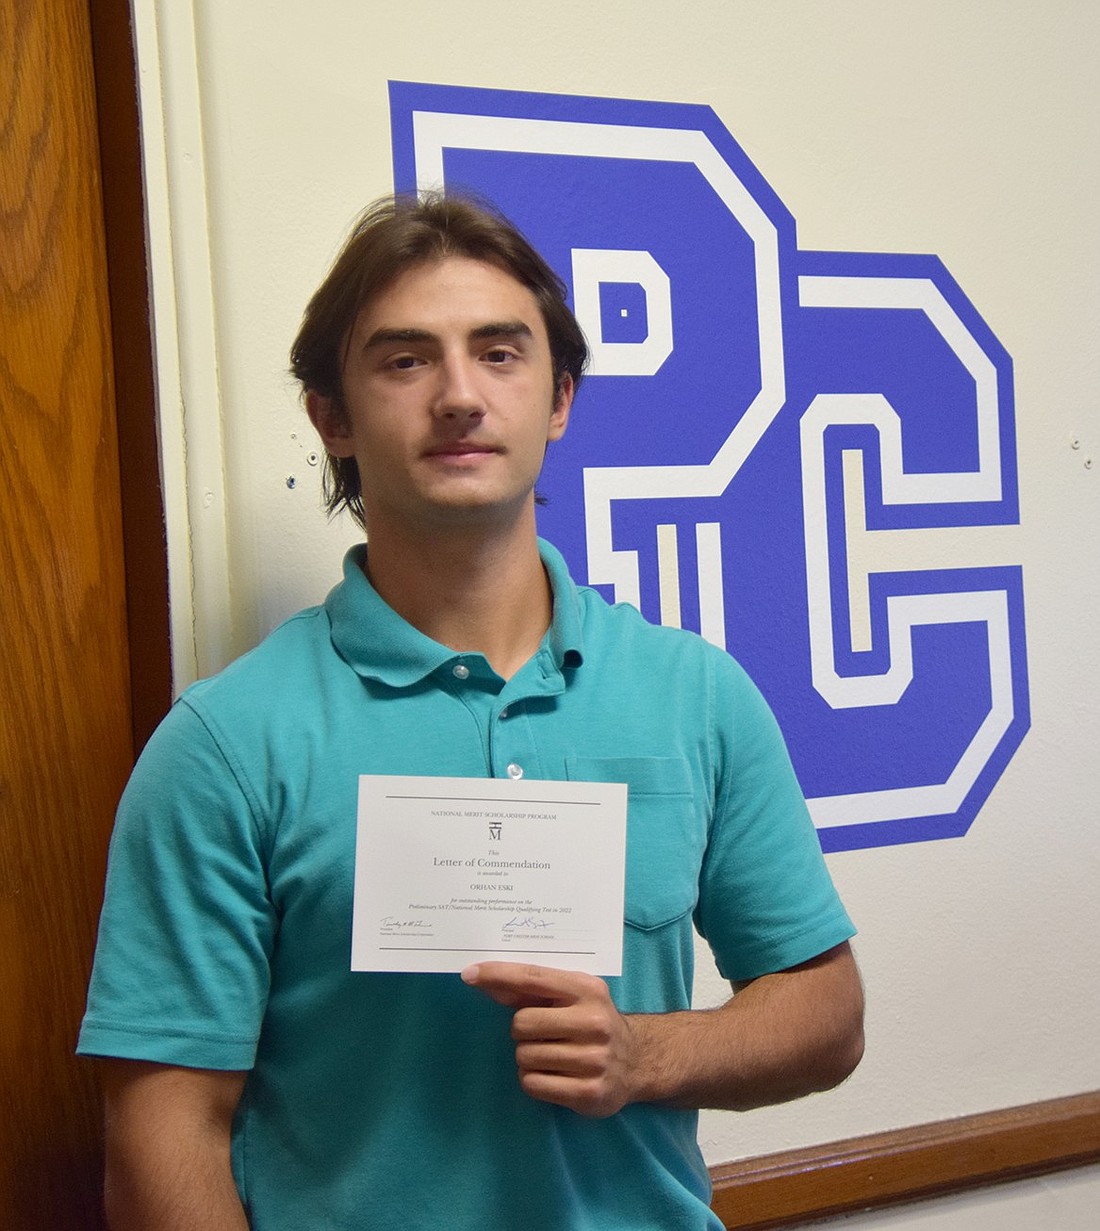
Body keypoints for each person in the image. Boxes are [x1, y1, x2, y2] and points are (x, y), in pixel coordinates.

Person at [79, 193, 863, 1231]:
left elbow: (825, 1013)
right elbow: (162, 1131)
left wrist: (644, 1052)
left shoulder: (694, 694)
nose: (458, 395)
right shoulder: (227, 743)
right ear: (333, 417)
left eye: (499, 353)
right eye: (405, 360)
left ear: (558, 399)